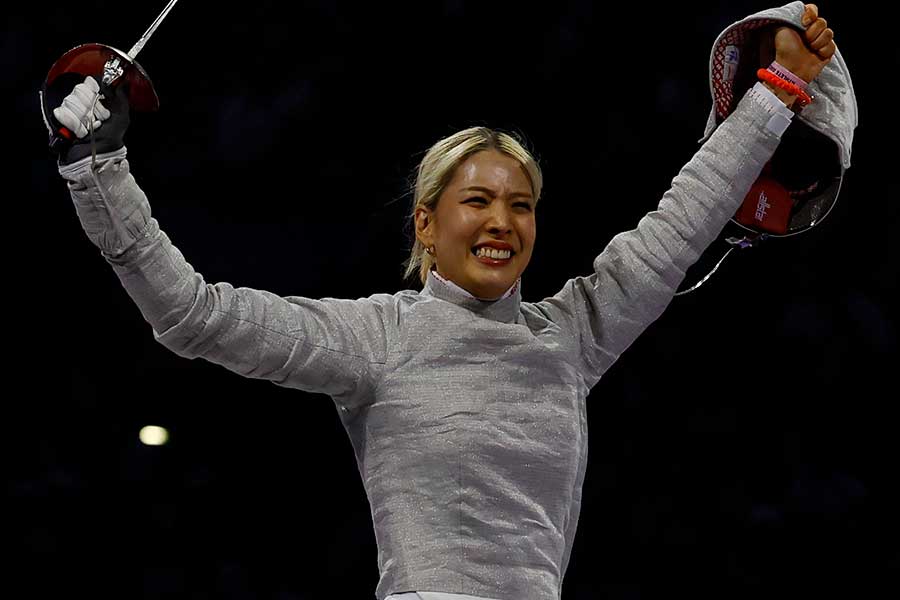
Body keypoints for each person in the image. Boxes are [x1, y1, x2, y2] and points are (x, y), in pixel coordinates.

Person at [47, 3, 841, 599]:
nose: (502, 221)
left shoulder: (570, 334)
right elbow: (193, 314)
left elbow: (683, 218)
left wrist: (777, 93)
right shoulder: (374, 339)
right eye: (478, 201)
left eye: (521, 204)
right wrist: (98, 164)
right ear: (427, 223)